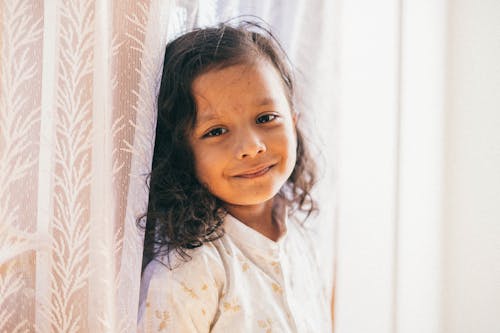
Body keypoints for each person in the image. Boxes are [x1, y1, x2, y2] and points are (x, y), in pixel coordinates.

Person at [138, 20, 332, 332]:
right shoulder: (186, 271)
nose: (252, 147)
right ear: (181, 152)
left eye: (265, 118)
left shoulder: (299, 234)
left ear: (294, 122)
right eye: (216, 131)